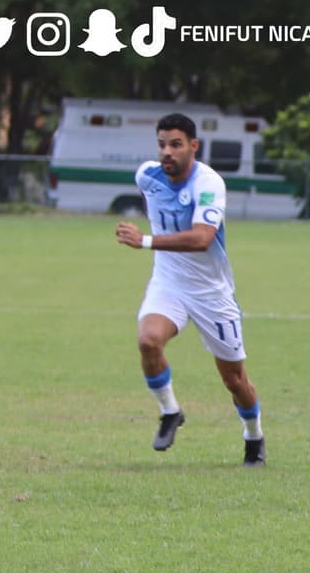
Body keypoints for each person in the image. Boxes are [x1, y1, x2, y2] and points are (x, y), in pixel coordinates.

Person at [114, 112, 266, 467]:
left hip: (211, 292)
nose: (167, 152)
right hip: (168, 282)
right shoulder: (146, 176)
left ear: (193, 147)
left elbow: (202, 238)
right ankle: (170, 412)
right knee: (148, 340)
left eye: (176, 145)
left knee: (234, 379)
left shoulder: (209, 184)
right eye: (162, 144)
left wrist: (146, 240)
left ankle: (254, 436)